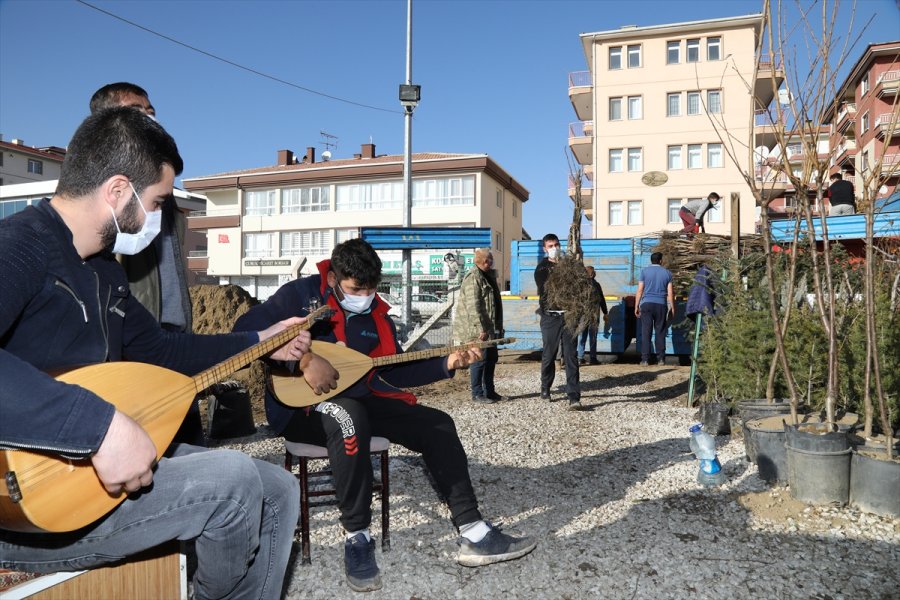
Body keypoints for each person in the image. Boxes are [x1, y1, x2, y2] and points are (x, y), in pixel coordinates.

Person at [0, 108, 308, 600]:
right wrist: (97, 428)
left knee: (279, 489)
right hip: (27, 508)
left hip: (83, 483)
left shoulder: (104, 273)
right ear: (118, 191)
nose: (161, 220)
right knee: (231, 478)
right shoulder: (19, 248)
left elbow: (164, 351)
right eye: (158, 201)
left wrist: (261, 340)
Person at [233, 238, 536, 593]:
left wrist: (447, 362)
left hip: (362, 400)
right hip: (301, 408)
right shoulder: (297, 295)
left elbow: (388, 372)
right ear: (332, 279)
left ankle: (473, 532)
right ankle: (357, 538)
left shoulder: (377, 316)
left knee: (437, 424)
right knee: (351, 417)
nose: (365, 295)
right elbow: (244, 329)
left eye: (371, 288)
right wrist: (303, 358)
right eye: (355, 288)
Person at [91, 82, 203, 445]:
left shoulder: (163, 195)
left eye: (152, 112)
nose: (151, 119)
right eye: (140, 112)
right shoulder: (99, 195)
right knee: (148, 443)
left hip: (173, 334)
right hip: (134, 343)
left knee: (190, 440)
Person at [533, 233, 582, 410]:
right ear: (545, 249)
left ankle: (574, 396)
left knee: (571, 356)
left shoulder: (569, 265)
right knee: (549, 354)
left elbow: (579, 285)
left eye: (556, 245)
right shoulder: (542, 269)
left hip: (569, 316)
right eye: (550, 246)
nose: (554, 249)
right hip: (550, 317)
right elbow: (547, 292)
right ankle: (545, 387)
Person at [452, 248, 504, 403]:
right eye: (490, 259)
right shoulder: (473, 277)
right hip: (477, 329)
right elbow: (473, 305)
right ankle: (477, 393)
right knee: (478, 359)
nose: (492, 261)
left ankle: (490, 392)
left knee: (491, 358)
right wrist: (480, 328)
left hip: (490, 327)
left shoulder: (487, 277)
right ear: (484, 261)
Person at [634, 252, 675, 367]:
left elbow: (640, 290)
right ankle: (661, 359)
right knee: (660, 332)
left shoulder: (644, 271)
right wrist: (672, 307)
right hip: (661, 305)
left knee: (646, 332)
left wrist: (637, 305)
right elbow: (670, 293)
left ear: (651, 260)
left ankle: (645, 360)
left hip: (646, 305)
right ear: (661, 261)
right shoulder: (667, 273)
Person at [577, 265, 608, 366]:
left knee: (582, 336)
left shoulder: (580, 285)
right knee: (592, 337)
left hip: (583, 315)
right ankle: (593, 358)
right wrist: (605, 312)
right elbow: (602, 300)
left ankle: (580, 358)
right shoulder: (596, 285)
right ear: (593, 274)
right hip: (594, 315)